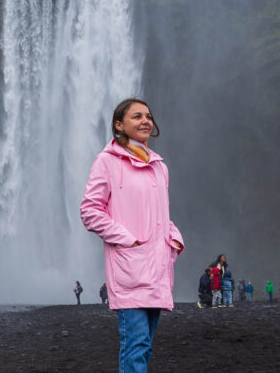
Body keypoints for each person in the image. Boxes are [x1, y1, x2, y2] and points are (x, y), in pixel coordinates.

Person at [80, 98, 184, 373]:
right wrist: (128, 239)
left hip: (158, 268)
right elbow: (90, 211)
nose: (145, 121)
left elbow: (162, 216)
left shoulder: (160, 166)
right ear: (119, 125)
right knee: (136, 344)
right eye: (136, 116)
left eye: (148, 116)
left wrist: (174, 240)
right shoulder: (107, 162)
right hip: (130, 268)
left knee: (145, 346)